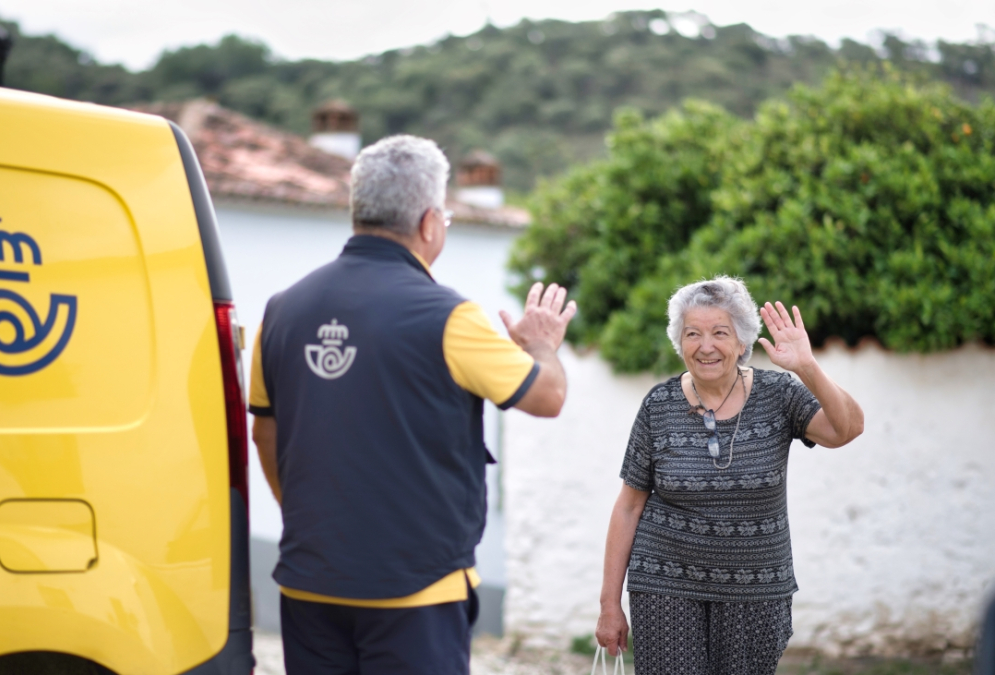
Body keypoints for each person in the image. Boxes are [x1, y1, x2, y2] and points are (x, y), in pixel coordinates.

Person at [248, 135, 577, 675]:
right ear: (429, 223)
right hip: (416, 592)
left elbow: (266, 435)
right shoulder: (450, 317)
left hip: (311, 583)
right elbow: (548, 396)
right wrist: (541, 346)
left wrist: (313, 523)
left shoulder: (280, 312)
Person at [595, 276, 864, 675]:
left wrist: (807, 367)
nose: (706, 346)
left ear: (742, 342)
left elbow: (847, 429)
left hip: (756, 589)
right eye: (693, 334)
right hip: (666, 583)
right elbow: (629, 506)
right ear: (679, 342)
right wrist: (609, 604)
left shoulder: (779, 394)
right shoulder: (659, 406)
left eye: (720, 332)